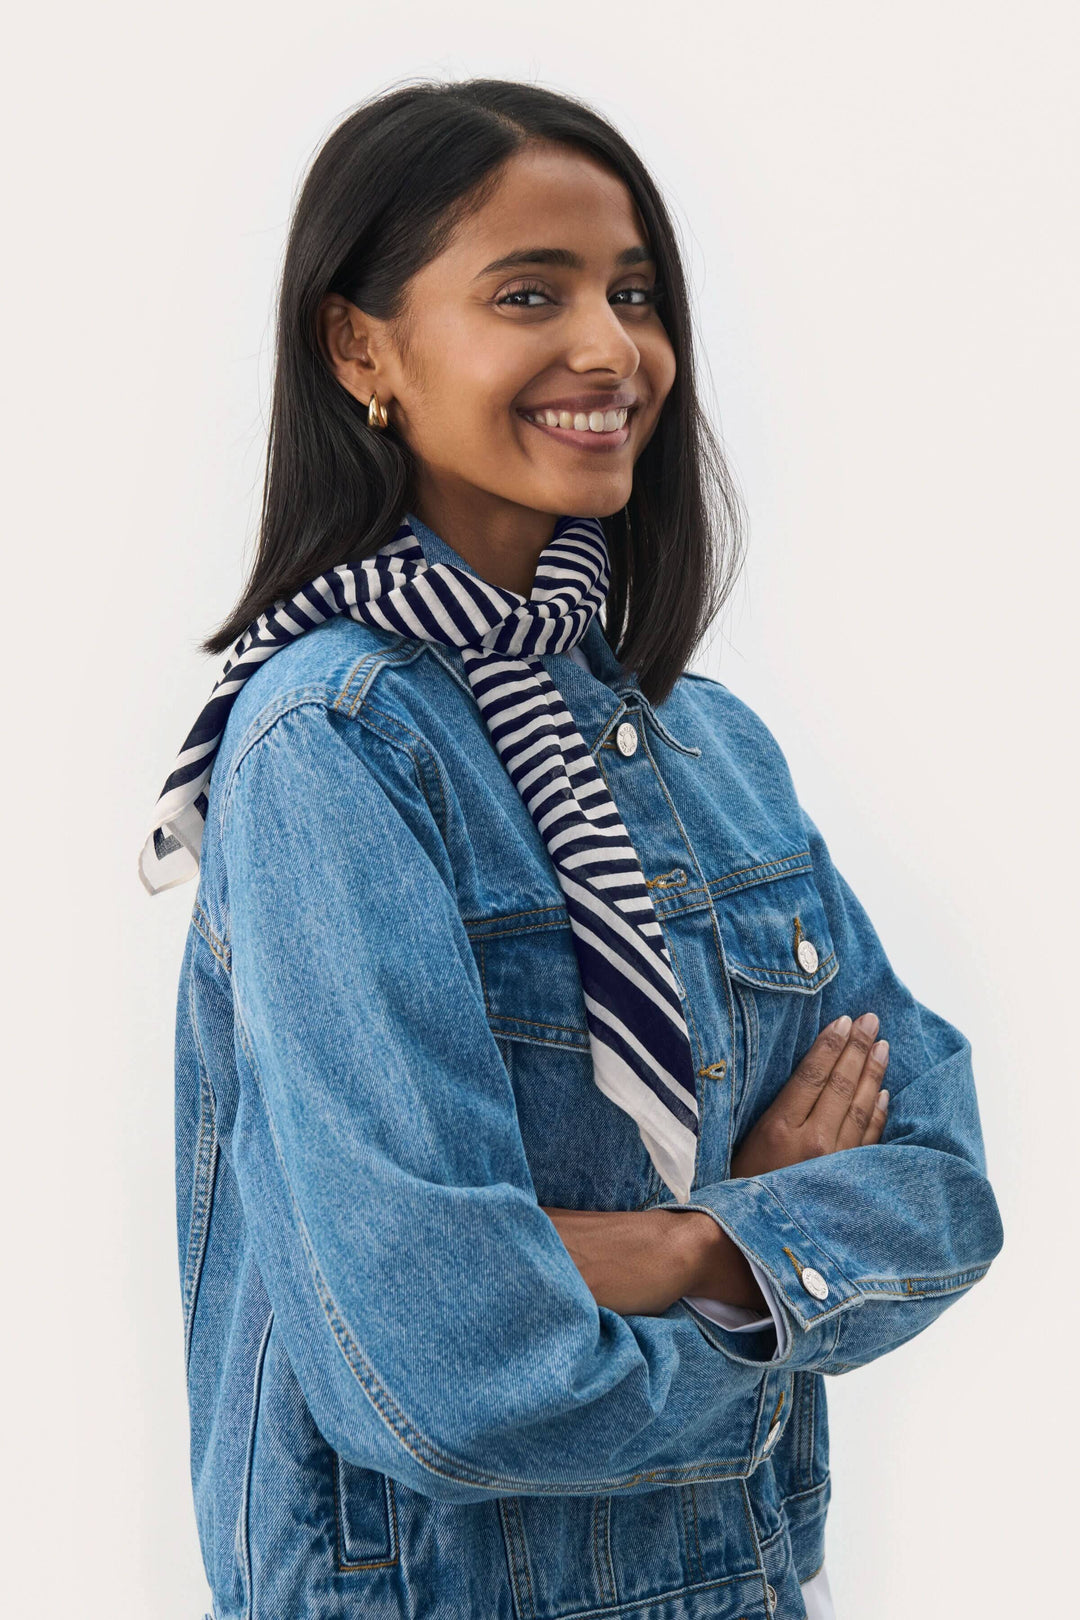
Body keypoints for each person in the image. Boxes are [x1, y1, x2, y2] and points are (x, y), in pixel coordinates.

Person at [140, 78, 1004, 1620]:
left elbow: (941, 1187)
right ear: (360, 349)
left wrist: (657, 1251)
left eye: (636, 294)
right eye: (530, 294)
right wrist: (760, 1256)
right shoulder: (330, 748)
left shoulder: (709, 748)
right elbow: (445, 1362)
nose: (611, 350)